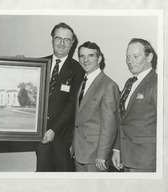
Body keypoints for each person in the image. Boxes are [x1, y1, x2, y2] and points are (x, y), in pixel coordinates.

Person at [36, 22, 85, 172]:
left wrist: (53, 130)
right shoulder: (39, 64)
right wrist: (20, 64)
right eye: (58, 38)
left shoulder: (78, 69)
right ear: (52, 39)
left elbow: (72, 106)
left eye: (67, 40)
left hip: (62, 137)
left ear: (72, 43)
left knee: (63, 179)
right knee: (43, 176)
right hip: (40, 135)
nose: (62, 43)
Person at [72, 41, 119, 172]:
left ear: (99, 58)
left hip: (96, 156)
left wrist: (102, 155)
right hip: (79, 152)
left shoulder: (108, 85)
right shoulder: (83, 82)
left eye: (90, 56)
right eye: (81, 56)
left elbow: (109, 125)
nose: (85, 60)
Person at [112, 38, 157, 172]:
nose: (130, 61)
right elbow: (123, 121)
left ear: (149, 57)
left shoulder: (157, 84)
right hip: (126, 158)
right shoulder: (129, 82)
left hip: (147, 160)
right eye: (127, 57)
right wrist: (117, 149)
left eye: (136, 56)